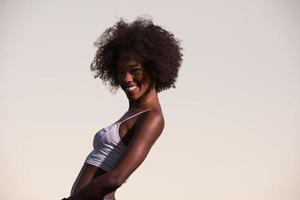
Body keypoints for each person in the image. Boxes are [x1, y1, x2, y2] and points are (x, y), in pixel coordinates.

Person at [62, 16, 183, 200]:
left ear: (154, 69)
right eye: (120, 71)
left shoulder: (152, 117)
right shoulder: (133, 112)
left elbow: (116, 178)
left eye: (135, 70)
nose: (126, 79)